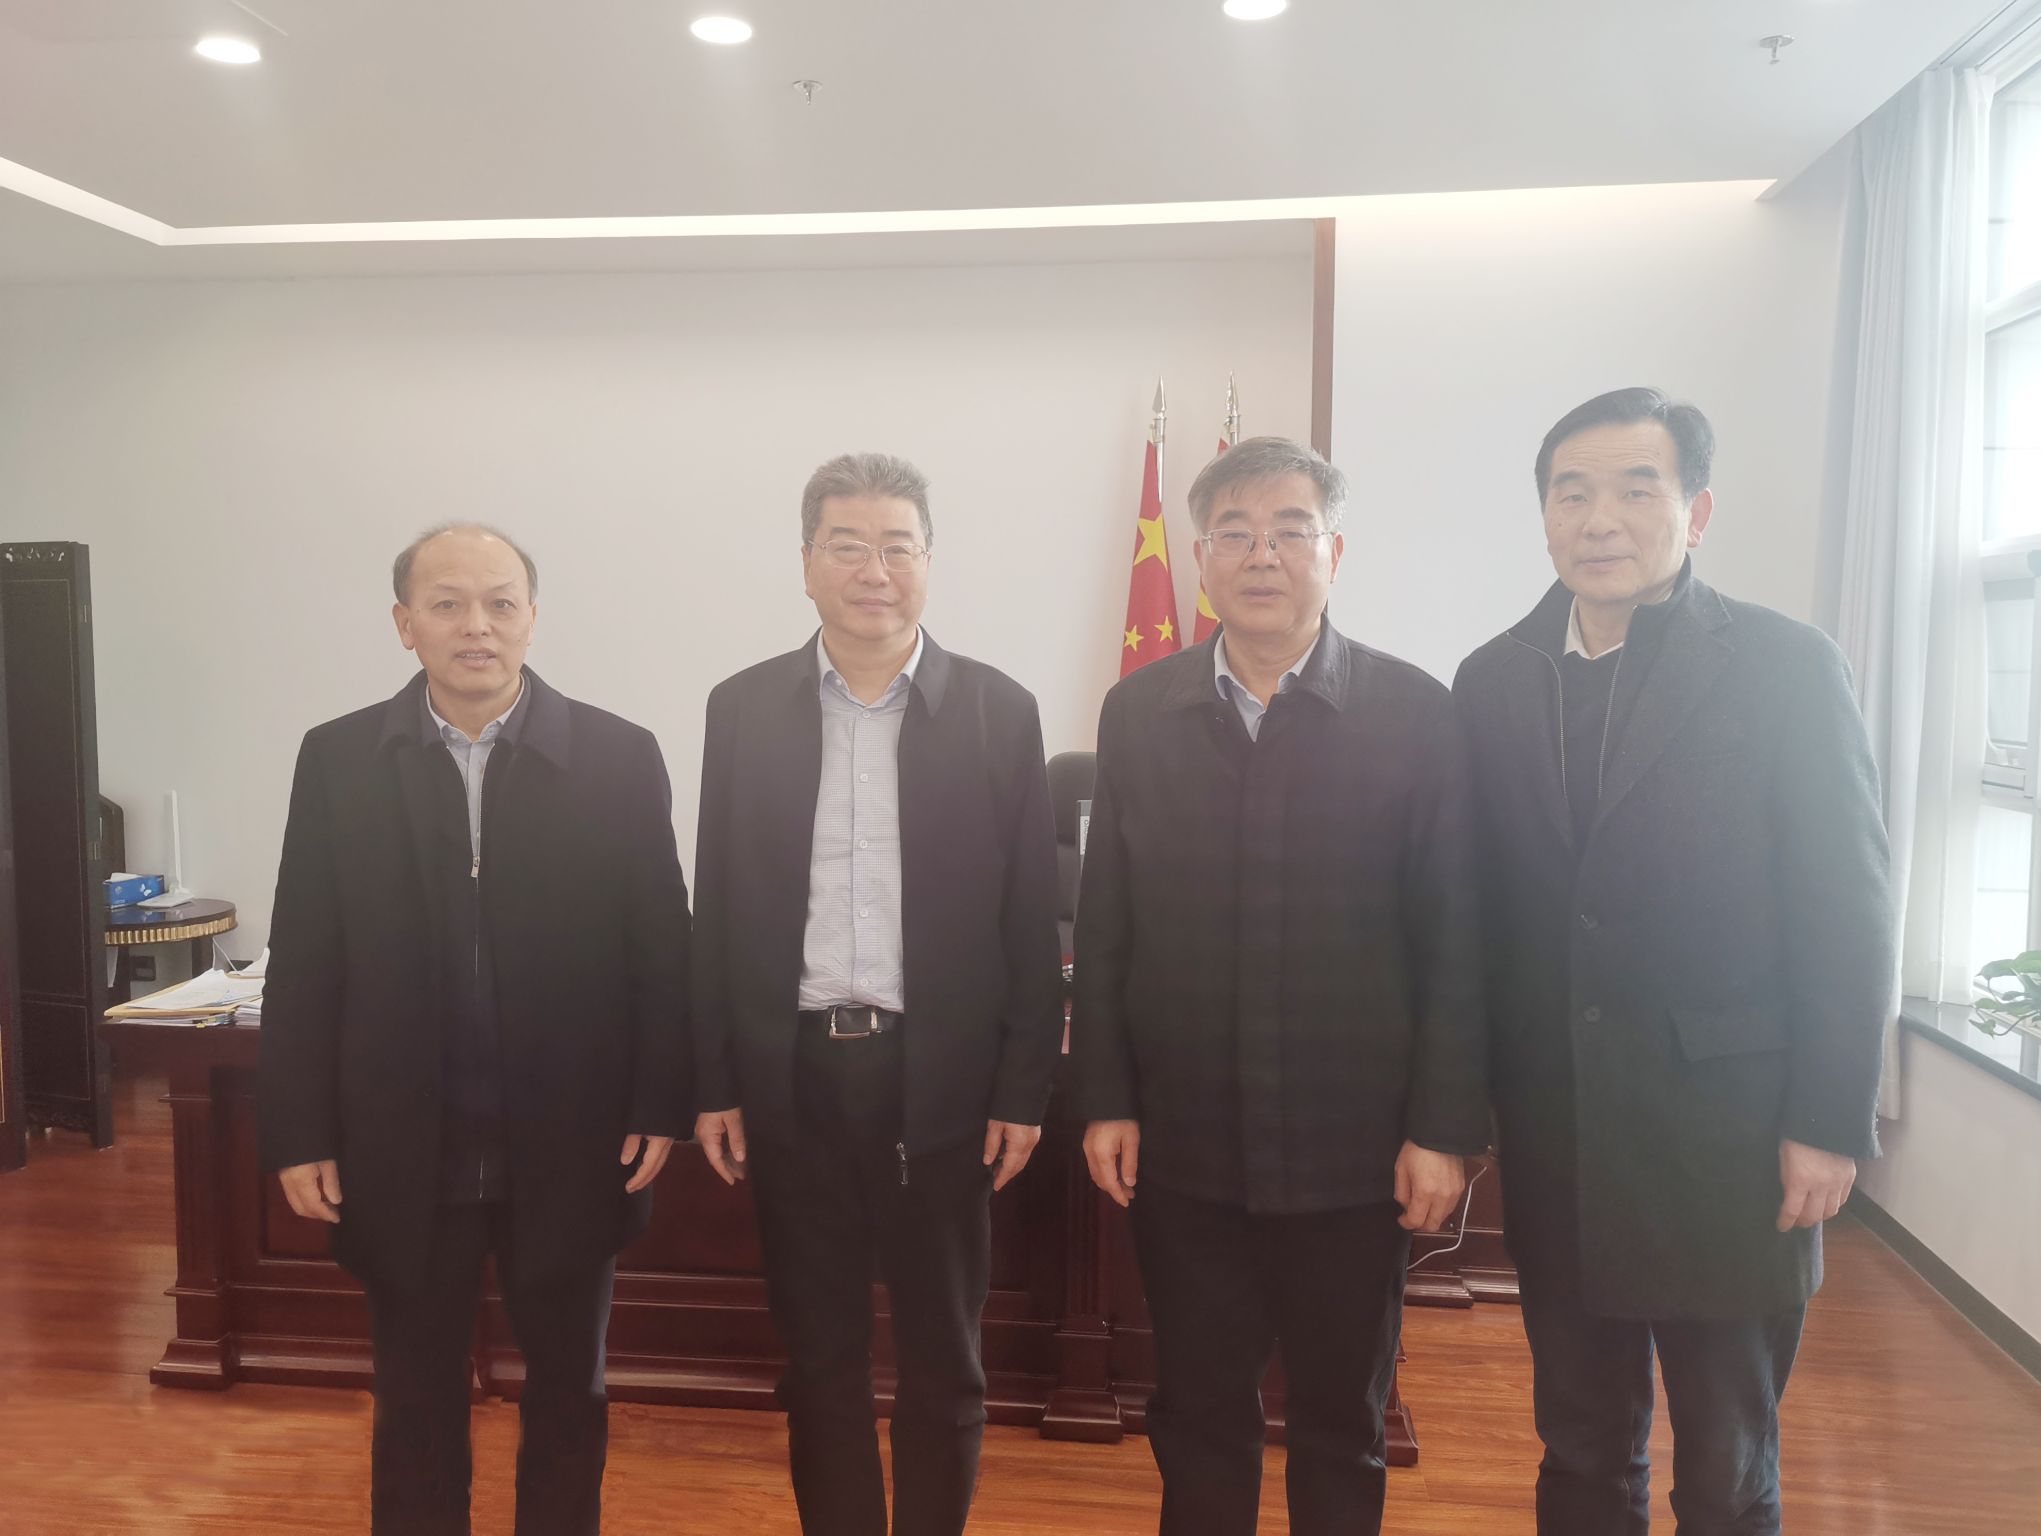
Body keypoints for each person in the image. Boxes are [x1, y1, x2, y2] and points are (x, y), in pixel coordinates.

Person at [1453, 387, 1892, 1536]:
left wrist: (1827, 1119)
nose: (1598, 519)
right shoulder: (1491, 678)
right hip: (1561, 1135)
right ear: (1543, 515)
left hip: (1730, 1144)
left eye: (1633, 489)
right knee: (1581, 1450)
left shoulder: (1784, 665)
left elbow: (1846, 908)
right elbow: (1471, 915)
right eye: (1570, 493)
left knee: (1726, 1470)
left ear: (1694, 511)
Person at [1071, 436, 1490, 1536]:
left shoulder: (1414, 714)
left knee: (1341, 1422)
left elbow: (1455, 940)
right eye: (1237, 534)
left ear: (1333, 553)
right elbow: (1107, 926)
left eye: (1291, 530)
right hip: (1187, 1149)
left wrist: (1443, 1131)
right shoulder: (1139, 712)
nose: (1264, 555)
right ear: (1200, 558)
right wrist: (1106, 1097)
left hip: (1354, 1155)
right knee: (1196, 1415)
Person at [259, 523, 691, 1535]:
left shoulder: (618, 757)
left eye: (500, 603)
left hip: (573, 1138)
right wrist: (297, 1130)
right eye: (447, 604)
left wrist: (660, 1099)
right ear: (404, 624)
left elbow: (661, 948)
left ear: (533, 618)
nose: (477, 626)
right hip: (404, 1140)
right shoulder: (339, 759)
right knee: (413, 1396)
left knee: (570, 1390)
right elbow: (306, 955)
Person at [690, 452, 1063, 1536]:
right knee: (820, 1357)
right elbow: (718, 907)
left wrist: (1023, 1089)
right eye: (847, 546)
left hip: (938, 1083)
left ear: (928, 562)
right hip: (794, 1077)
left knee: (944, 1355)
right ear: (807, 563)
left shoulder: (998, 711)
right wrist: (715, 1080)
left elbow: (1028, 922)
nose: (874, 570)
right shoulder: (742, 707)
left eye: (897, 547)